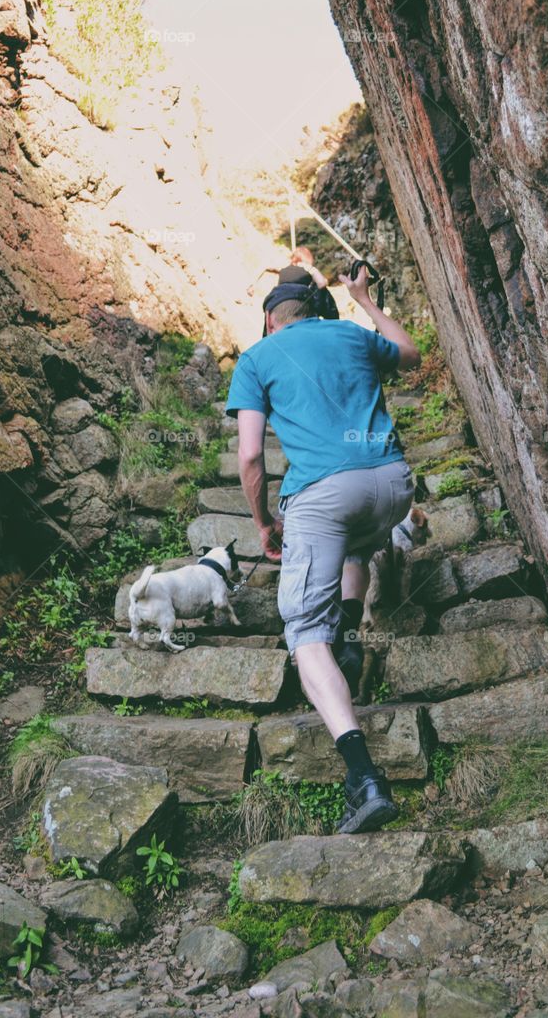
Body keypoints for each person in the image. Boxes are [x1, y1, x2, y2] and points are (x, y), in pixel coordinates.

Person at [226, 264, 421, 833]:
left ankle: (363, 778)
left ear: (269, 318)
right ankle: (353, 643)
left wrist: (263, 523)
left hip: (324, 496)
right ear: (318, 310)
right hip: (392, 486)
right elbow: (410, 354)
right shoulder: (352, 334)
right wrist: (365, 299)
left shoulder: (257, 358)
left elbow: (250, 459)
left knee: (305, 632)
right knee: (354, 542)